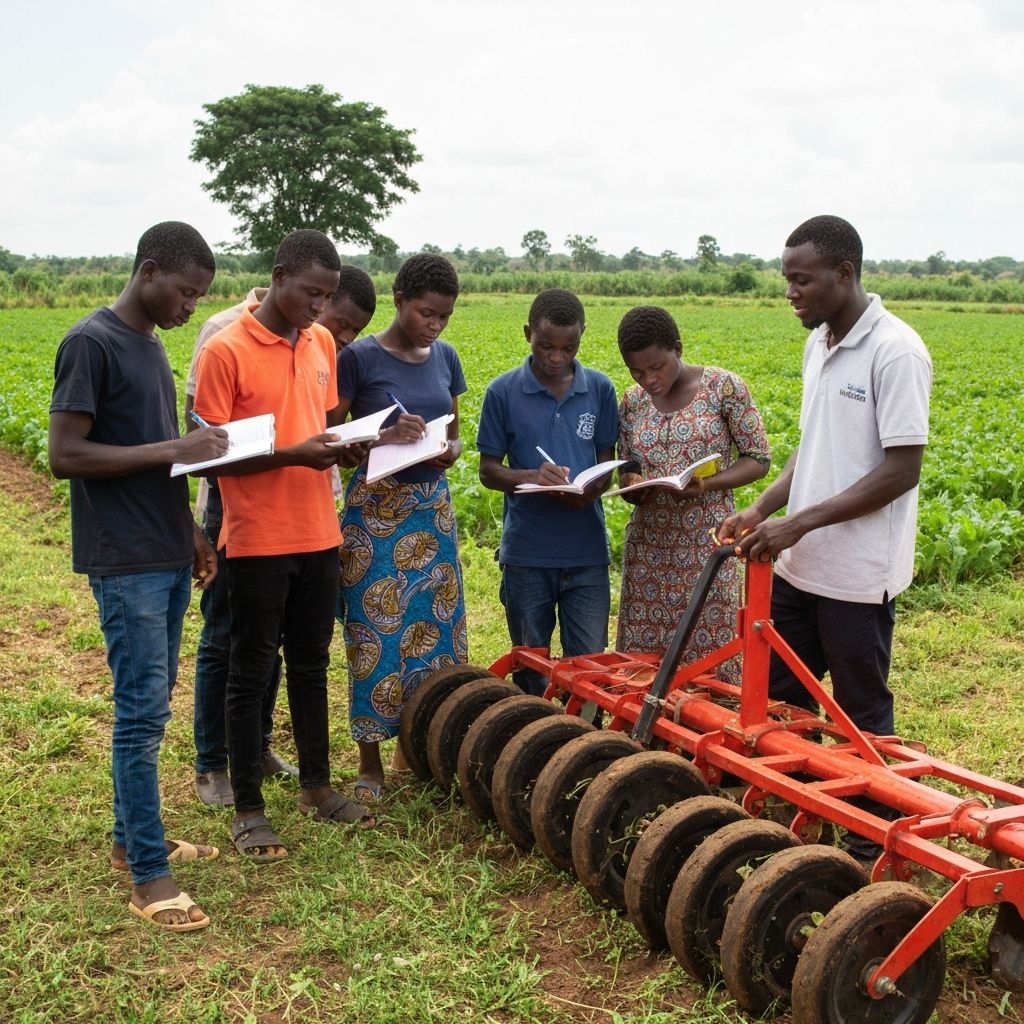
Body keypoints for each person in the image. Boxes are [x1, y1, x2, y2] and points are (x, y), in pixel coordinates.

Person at [48, 221, 229, 932]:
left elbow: (157, 460)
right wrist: (175, 446)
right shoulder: (91, 343)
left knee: (151, 708)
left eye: (198, 297)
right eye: (186, 292)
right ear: (150, 271)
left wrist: (190, 532)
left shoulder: (151, 345)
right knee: (141, 716)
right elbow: (67, 453)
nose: (191, 307)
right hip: (123, 558)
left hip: (161, 547)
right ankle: (151, 878)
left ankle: (133, 844)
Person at [193, 230, 371, 863]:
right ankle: (247, 808)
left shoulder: (320, 341)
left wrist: (343, 447)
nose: (319, 309)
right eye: (310, 294)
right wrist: (291, 455)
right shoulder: (226, 349)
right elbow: (211, 458)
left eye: (326, 297)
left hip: (319, 532)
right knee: (250, 670)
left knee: (311, 663)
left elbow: (317, 427)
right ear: (278, 278)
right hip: (256, 537)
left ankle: (317, 787)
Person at [721, 214, 932, 740]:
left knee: (859, 710)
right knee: (780, 696)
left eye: (802, 280)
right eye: (787, 280)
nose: (790, 293)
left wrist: (799, 524)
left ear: (844, 272)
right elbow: (812, 445)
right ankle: (801, 807)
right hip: (801, 565)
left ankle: (871, 818)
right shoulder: (819, 343)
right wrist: (762, 510)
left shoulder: (895, 351)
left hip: (856, 577)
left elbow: (902, 470)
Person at [335, 253, 467, 803]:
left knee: (437, 629)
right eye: (425, 313)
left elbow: (456, 434)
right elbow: (333, 443)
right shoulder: (358, 359)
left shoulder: (446, 358)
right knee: (375, 636)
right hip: (375, 514)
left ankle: (417, 744)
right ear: (399, 300)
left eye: (444, 315)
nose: (434, 325)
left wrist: (447, 450)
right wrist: (384, 438)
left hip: (430, 510)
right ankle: (370, 762)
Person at [615, 306, 770, 682]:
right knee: (644, 659)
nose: (648, 379)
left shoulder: (723, 388)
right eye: (637, 371)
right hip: (649, 548)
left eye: (657, 368)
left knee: (708, 654)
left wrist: (708, 484)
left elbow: (758, 459)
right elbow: (626, 466)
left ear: (678, 349)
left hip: (707, 545)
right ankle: (643, 737)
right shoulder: (632, 402)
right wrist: (633, 484)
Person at [477, 288, 618, 696]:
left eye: (569, 347)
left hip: (586, 552)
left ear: (582, 337)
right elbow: (488, 470)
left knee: (589, 668)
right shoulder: (502, 392)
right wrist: (533, 478)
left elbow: (605, 462)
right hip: (527, 553)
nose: (557, 357)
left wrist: (590, 489)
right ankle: (533, 749)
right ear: (527, 335)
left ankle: (584, 750)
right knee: (530, 667)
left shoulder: (600, 390)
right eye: (546, 347)